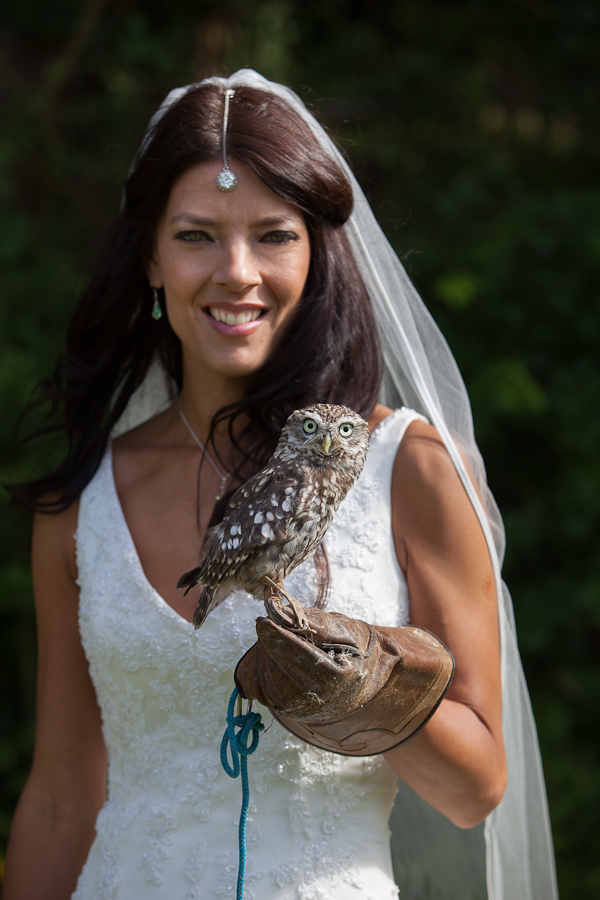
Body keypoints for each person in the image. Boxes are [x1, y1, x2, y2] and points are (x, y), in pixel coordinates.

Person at [3, 70, 557, 900]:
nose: (237, 272)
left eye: (273, 235)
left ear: (316, 253)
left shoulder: (411, 468)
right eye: (196, 235)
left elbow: (475, 790)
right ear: (150, 257)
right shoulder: (82, 502)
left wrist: (366, 690)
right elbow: (58, 798)